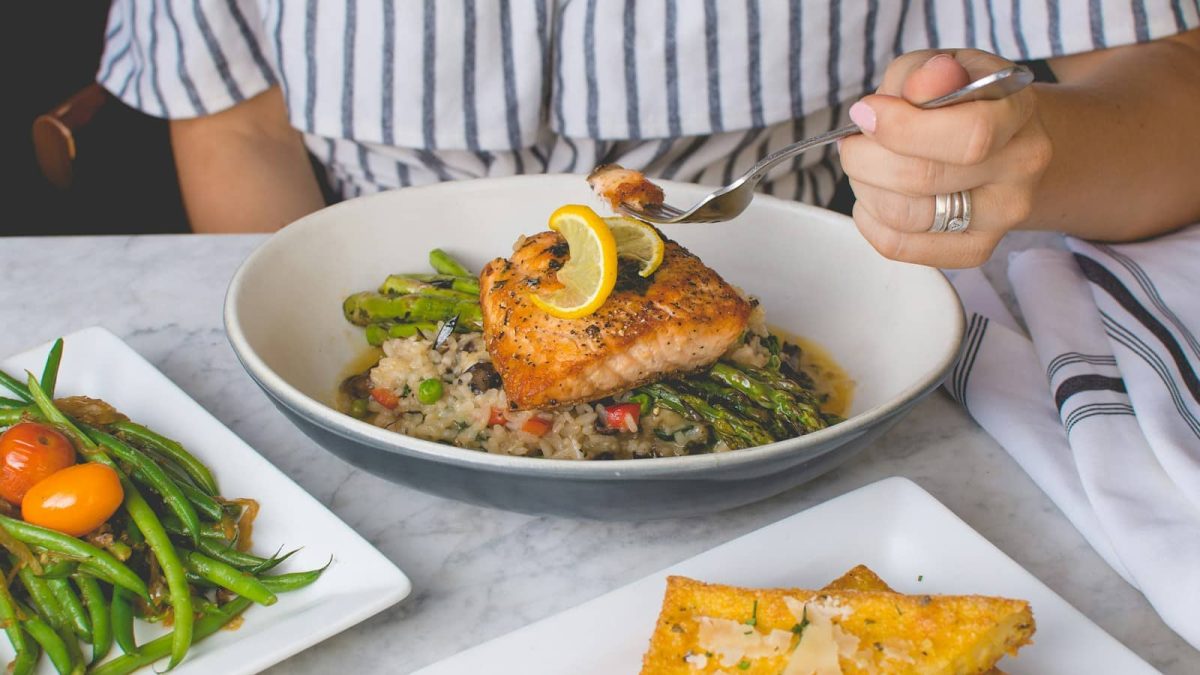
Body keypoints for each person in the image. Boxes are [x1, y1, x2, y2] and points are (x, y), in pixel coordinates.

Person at [97, 2, 1200, 268]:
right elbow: (240, 136)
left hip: (831, 293)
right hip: (382, 302)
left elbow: (1171, 90)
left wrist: (1020, 153)